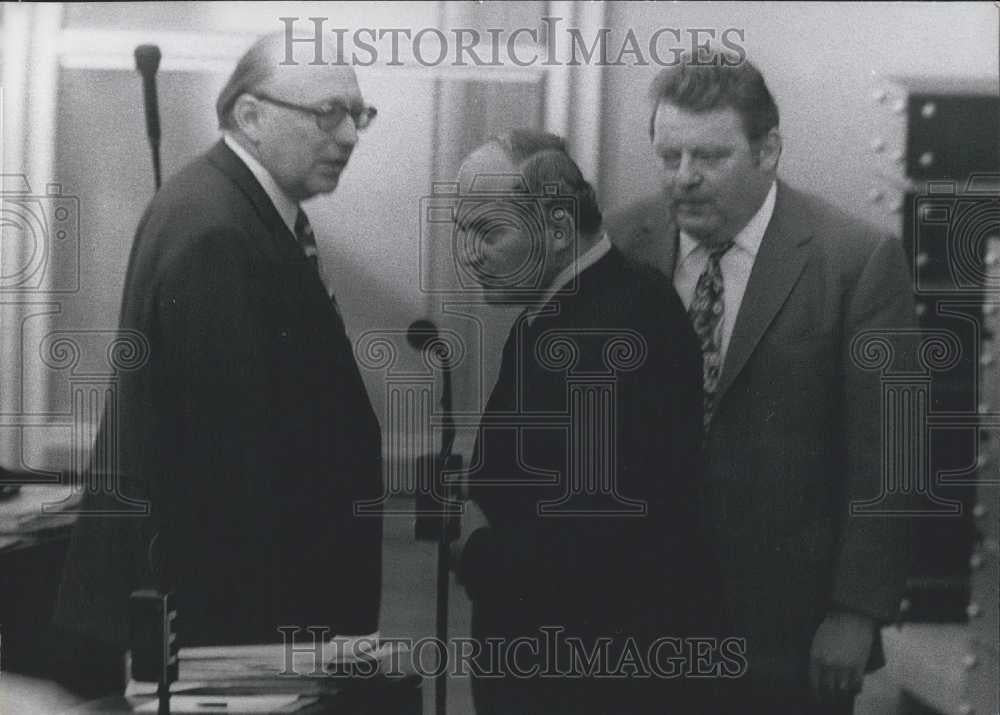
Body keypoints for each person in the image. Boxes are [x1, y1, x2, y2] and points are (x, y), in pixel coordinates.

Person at [52, 32, 383, 695]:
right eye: (326, 113)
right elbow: (229, 478)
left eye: (358, 113)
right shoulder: (218, 233)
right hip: (227, 629)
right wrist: (275, 659)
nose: (348, 135)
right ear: (250, 115)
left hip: (235, 623)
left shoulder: (237, 210)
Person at [607, 53, 916, 714]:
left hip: (786, 628)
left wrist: (855, 610)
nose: (683, 179)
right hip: (636, 613)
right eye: (669, 156)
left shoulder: (855, 262)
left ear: (768, 149)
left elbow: (890, 458)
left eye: (710, 157)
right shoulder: (622, 241)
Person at [450, 130, 722, 714]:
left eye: (488, 232)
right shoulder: (588, 303)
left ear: (554, 229)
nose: (469, 254)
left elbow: (592, 542)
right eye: (462, 233)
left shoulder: (605, 332)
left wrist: (476, 554)